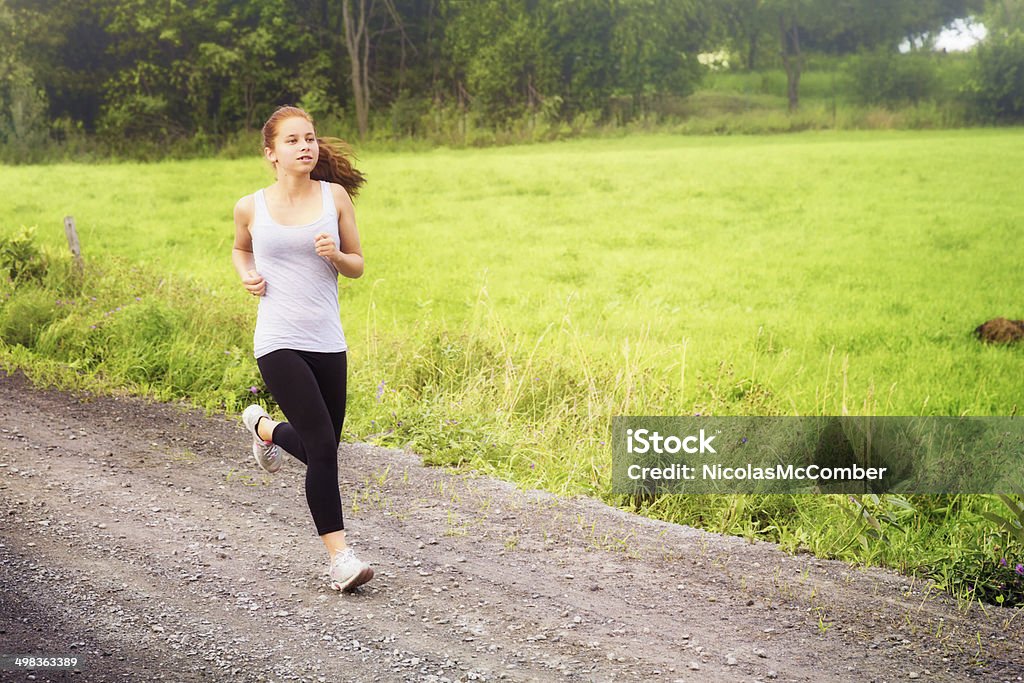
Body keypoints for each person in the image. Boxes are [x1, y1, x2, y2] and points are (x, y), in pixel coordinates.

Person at [231, 104, 373, 592]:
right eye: (293, 140)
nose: (306, 146)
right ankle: (341, 559)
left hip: (328, 341)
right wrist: (246, 274)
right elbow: (240, 247)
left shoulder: (334, 198)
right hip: (277, 341)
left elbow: (356, 265)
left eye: (309, 138)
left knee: (324, 447)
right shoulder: (251, 206)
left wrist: (335, 255)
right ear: (271, 152)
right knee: (322, 450)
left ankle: (264, 428)